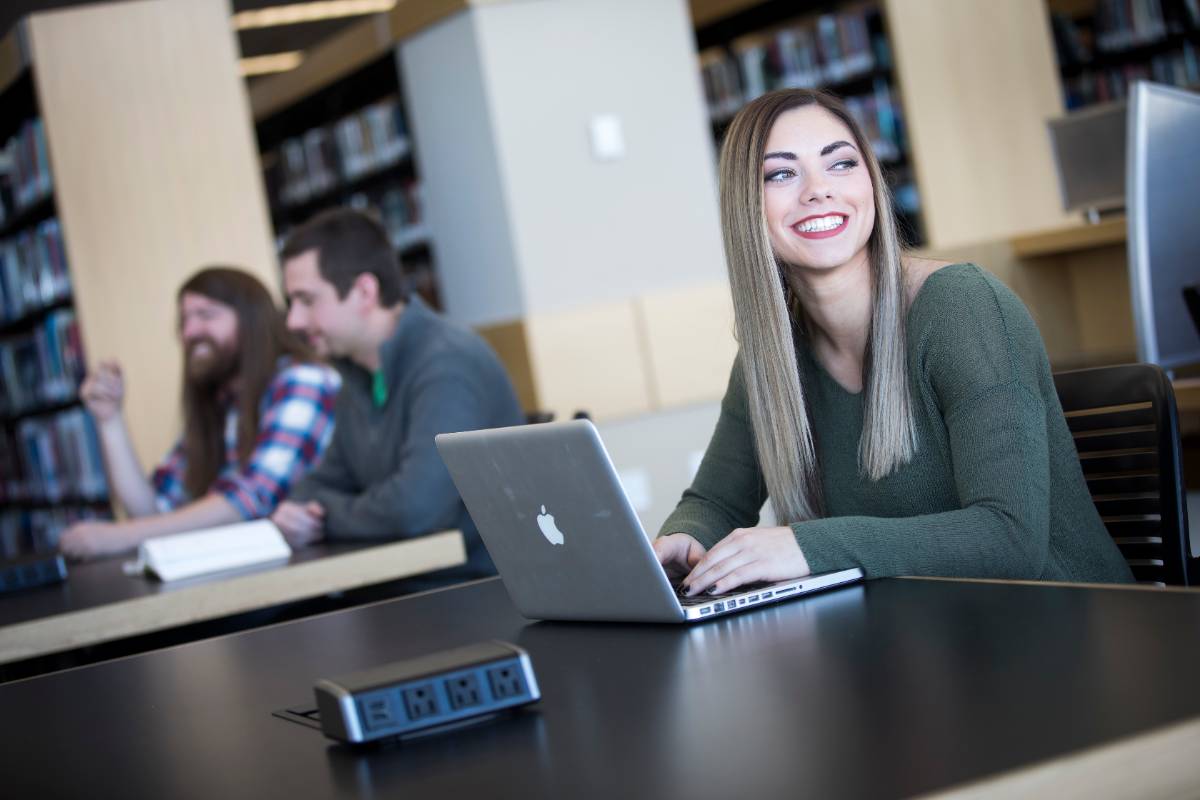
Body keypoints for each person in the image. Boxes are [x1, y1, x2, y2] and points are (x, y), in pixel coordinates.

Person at [654, 89, 1133, 594]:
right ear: (745, 206)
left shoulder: (963, 307)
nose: (818, 190)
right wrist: (682, 538)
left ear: (872, 183)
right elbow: (715, 501)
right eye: (782, 173)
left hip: (1068, 626)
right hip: (921, 638)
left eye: (840, 164)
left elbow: (1010, 538)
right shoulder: (772, 358)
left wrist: (808, 546)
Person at [272, 208, 523, 586]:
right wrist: (311, 507)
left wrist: (324, 514)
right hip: (404, 587)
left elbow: (414, 509)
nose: (292, 321)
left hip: (473, 595)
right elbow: (316, 485)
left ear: (364, 292)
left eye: (306, 300)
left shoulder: (447, 363)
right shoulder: (357, 371)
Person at [59, 267, 340, 559]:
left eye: (206, 315)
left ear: (252, 320)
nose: (189, 332)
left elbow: (251, 499)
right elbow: (154, 511)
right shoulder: (222, 405)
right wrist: (110, 420)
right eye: (184, 321)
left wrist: (118, 538)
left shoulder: (303, 380)